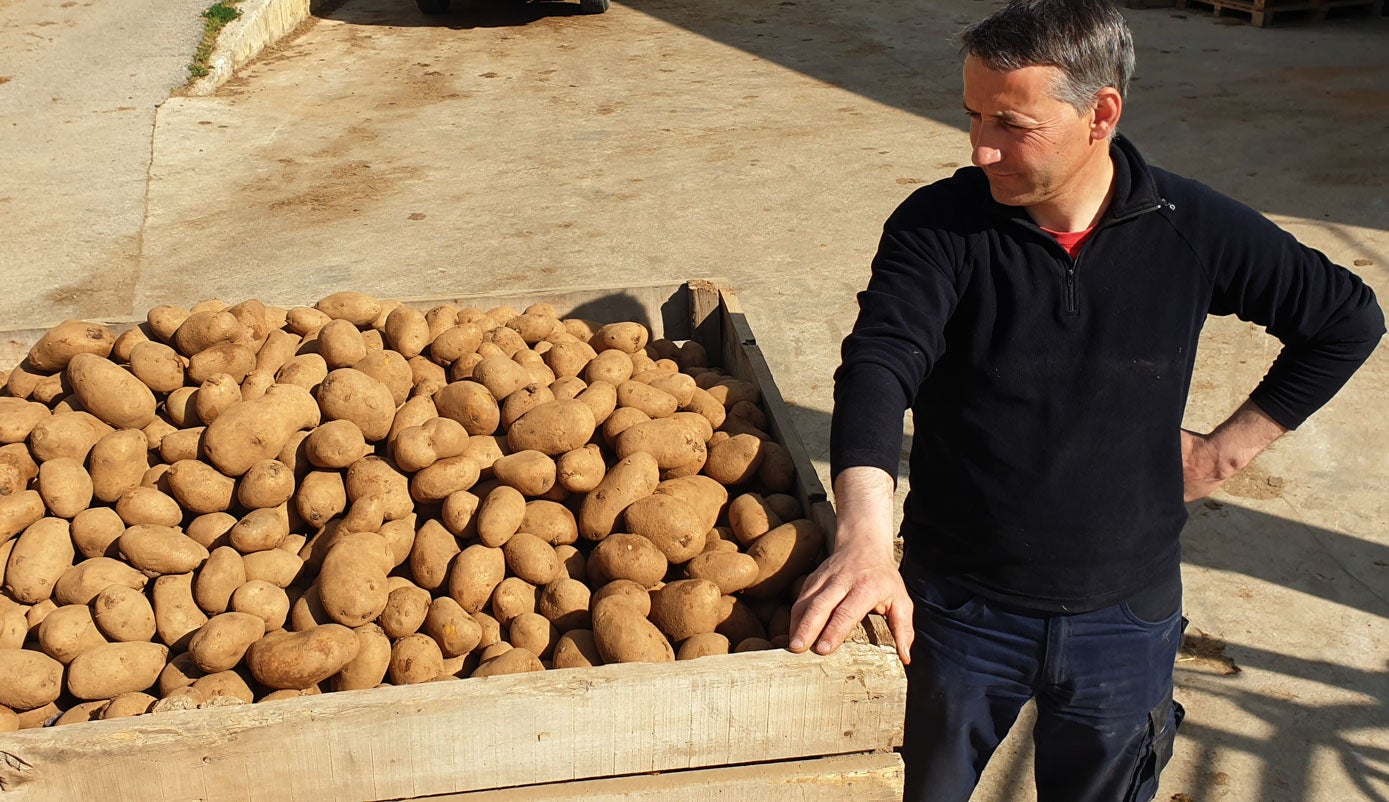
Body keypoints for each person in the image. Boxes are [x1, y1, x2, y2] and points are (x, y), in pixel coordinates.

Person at [786, 0, 1385, 800]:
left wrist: (1220, 452)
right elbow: (880, 363)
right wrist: (864, 535)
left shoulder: (1188, 228)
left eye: (1011, 123)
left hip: (1122, 620)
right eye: (970, 116)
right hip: (956, 608)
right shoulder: (940, 226)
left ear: (1099, 113)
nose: (980, 146)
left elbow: (1345, 319)